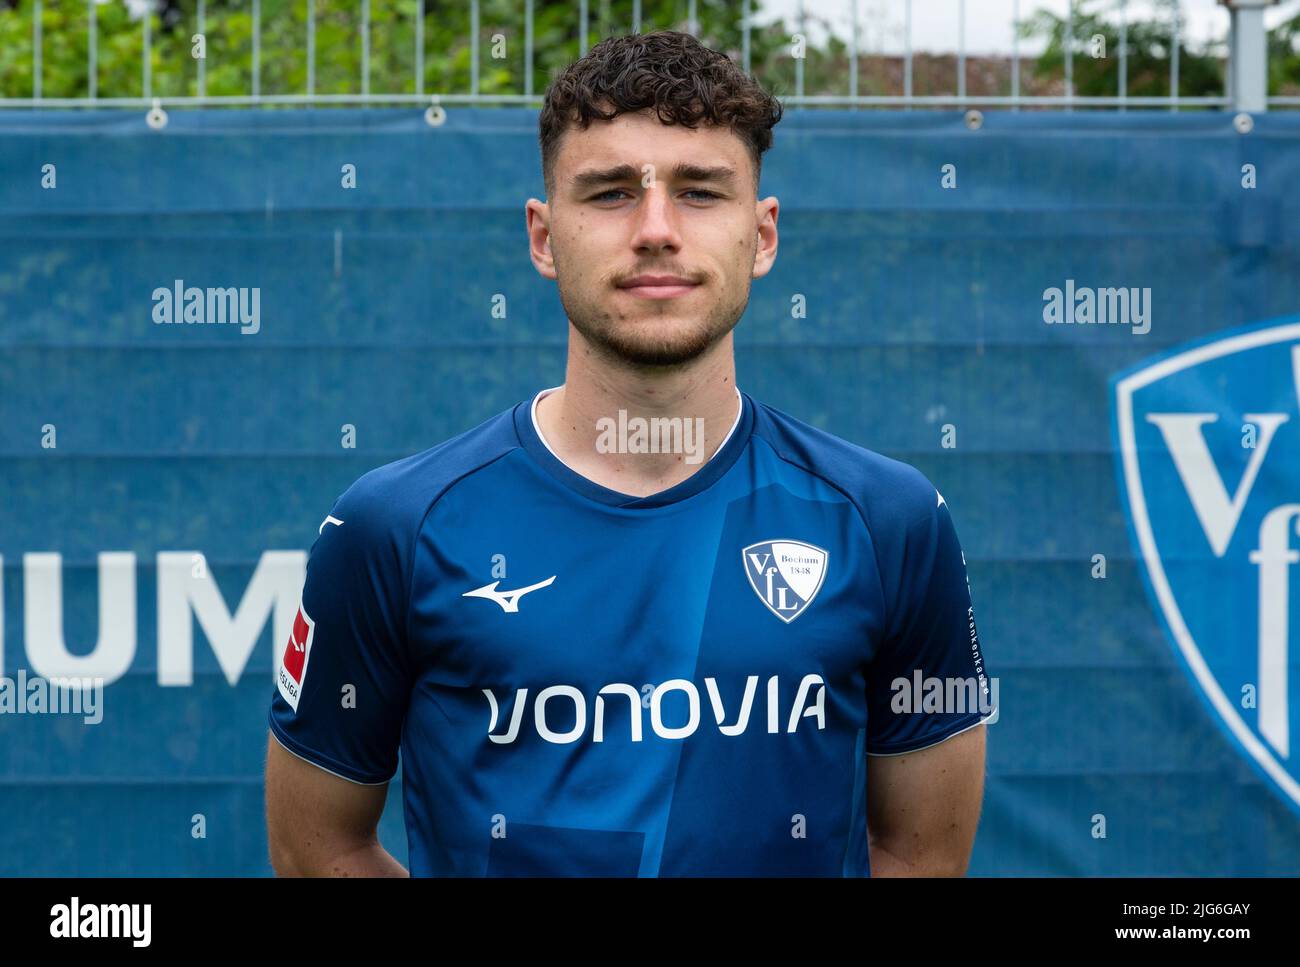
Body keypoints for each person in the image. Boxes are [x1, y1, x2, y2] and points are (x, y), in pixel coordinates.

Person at [265, 29, 993, 877]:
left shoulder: (891, 519)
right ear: (543, 237)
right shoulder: (390, 525)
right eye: (610, 194)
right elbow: (317, 847)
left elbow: (921, 855)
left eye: (699, 192)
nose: (655, 230)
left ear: (763, 235)